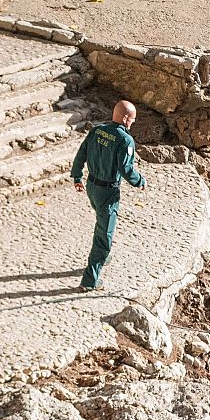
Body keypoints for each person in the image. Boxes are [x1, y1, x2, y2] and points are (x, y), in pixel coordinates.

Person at [70, 100, 146, 291]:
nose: (133, 123)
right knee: (104, 236)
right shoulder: (125, 140)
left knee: (101, 223)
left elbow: (82, 153)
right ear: (126, 118)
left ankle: (102, 255)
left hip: (92, 187)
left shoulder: (97, 130)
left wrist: (77, 175)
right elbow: (126, 169)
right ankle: (90, 281)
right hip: (108, 191)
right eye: (133, 120)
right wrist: (140, 181)